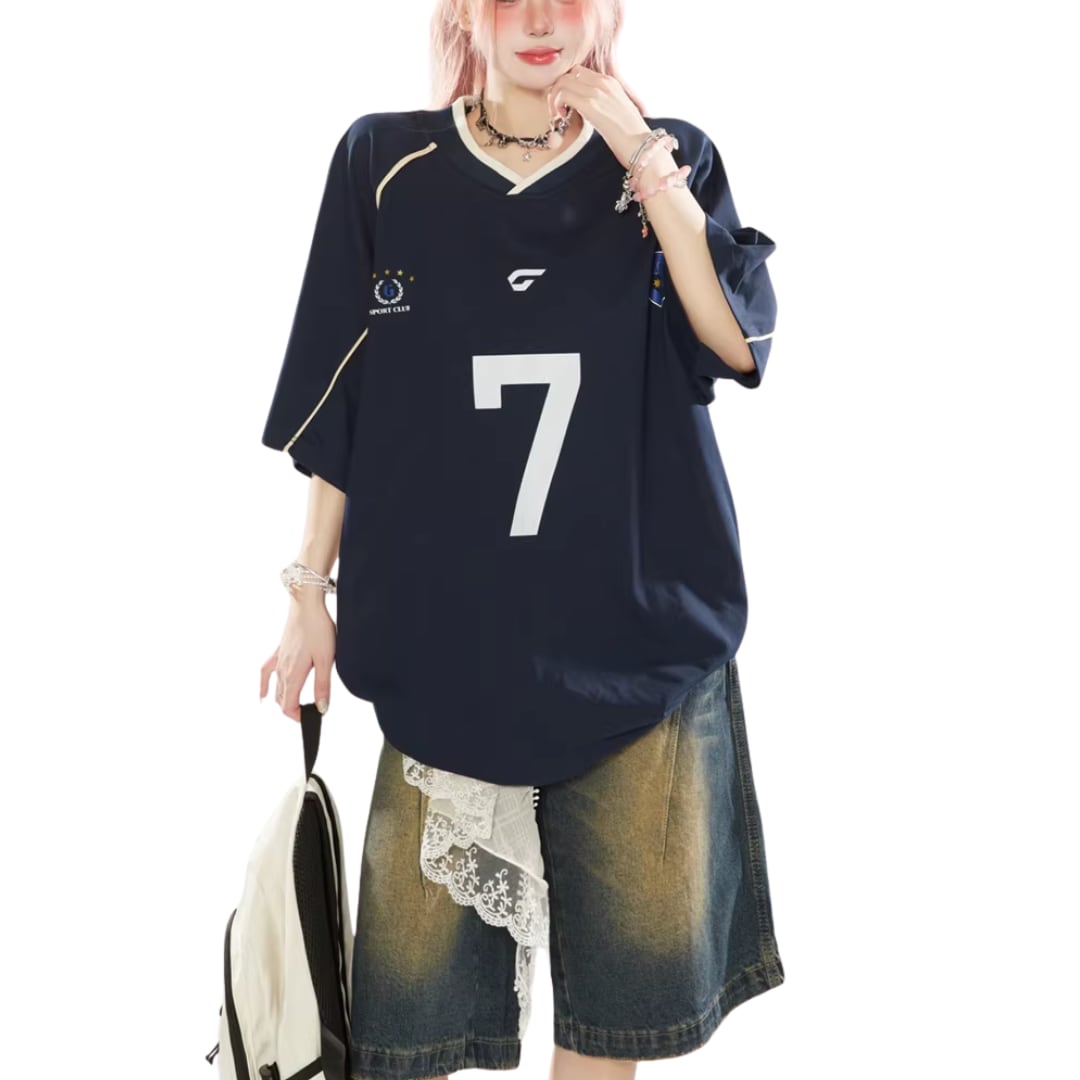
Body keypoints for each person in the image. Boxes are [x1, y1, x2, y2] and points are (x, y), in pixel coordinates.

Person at [257, 1, 785, 1077]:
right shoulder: (384, 163)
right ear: (464, 9)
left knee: (610, 1029)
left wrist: (642, 155)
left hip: (637, 649)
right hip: (446, 654)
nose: (539, 17)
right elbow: (339, 396)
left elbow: (735, 342)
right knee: (407, 1030)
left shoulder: (668, 157)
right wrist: (308, 590)